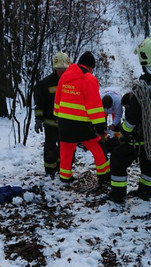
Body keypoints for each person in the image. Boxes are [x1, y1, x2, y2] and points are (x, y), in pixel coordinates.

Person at [107, 37, 151, 203]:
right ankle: (145, 192)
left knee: (117, 159)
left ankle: (118, 195)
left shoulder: (143, 86)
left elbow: (131, 118)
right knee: (149, 162)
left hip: (138, 135)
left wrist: (124, 132)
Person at [53, 51, 110, 183]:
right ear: (90, 67)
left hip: (64, 122)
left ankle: (65, 177)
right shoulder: (89, 79)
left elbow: (58, 97)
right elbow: (94, 105)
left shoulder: (65, 75)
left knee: (66, 150)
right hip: (82, 124)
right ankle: (103, 174)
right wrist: (100, 126)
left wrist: (57, 115)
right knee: (97, 147)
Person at [34, 52, 71, 177]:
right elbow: (40, 103)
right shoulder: (44, 84)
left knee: (65, 147)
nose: (62, 72)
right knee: (50, 146)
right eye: (59, 70)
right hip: (50, 121)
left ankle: (63, 168)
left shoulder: (72, 82)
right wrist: (38, 119)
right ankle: (50, 170)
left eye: (64, 70)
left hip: (66, 122)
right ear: (54, 69)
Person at [101, 87, 124, 154]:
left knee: (116, 126)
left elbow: (118, 115)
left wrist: (113, 124)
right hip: (103, 109)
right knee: (102, 125)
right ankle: (104, 140)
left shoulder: (118, 102)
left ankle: (116, 140)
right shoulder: (99, 99)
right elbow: (98, 114)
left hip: (115, 107)